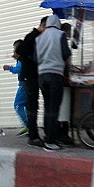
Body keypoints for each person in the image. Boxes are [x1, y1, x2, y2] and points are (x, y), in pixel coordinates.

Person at [35, 14, 71, 152]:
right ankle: (50, 141)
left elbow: (35, 58)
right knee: (54, 109)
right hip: (55, 75)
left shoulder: (39, 38)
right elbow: (66, 54)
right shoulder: (60, 34)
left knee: (47, 107)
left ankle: (48, 137)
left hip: (42, 76)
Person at [16, 16, 48, 148]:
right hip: (29, 77)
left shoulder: (37, 37)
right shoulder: (32, 37)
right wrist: (31, 58)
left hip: (34, 76)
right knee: (32, 105)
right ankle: (33, 135)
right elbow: (19, 50)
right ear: (43, 26)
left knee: (34, 104)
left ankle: (34, 133)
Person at [3, 39, 28, 137]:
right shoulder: (26, 58)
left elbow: (18, 69)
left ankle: (26, 125)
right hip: (28, 85)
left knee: (18, 105)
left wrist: (8, 67)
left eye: (15, 50)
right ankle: (28, 126)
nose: (13, 52)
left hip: (23, 86)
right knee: (26, 106)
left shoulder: (22, 60)